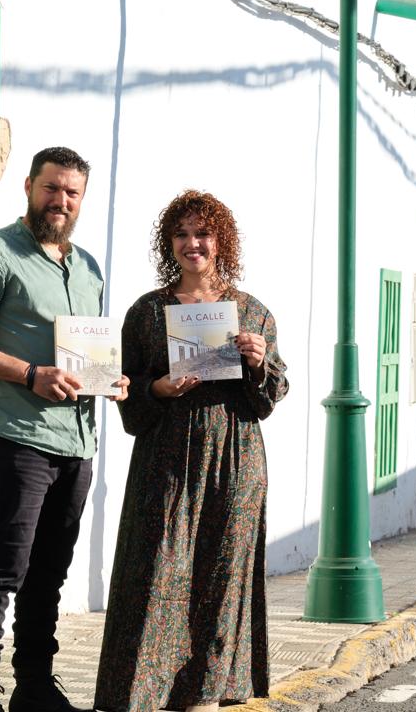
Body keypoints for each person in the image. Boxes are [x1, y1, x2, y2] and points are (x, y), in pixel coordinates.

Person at [0, 147, 128, 712]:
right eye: (51, 188)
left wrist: (110, 381)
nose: (60, 201)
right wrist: (29, 374)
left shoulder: (87, 266)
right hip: (16, 438)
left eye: (72, 193)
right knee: (2, 570)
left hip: (77, 443)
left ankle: (35, 686)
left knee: (49, 574)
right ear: (28, 186)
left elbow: (87, 351)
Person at [94, 190, 289, 712]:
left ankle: (205, 695)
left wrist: (257, 360)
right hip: (166, 456)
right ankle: (139, 695)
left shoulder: (253, 312)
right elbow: (125, 386)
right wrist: (157, 388)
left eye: (202, 233)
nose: (192, 243)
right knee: (156, 568)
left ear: (221, 240)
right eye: (181, 234)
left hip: (235, 457)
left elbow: (270, 397)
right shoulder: (147, 311)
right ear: (169, 244)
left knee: (221, 578)